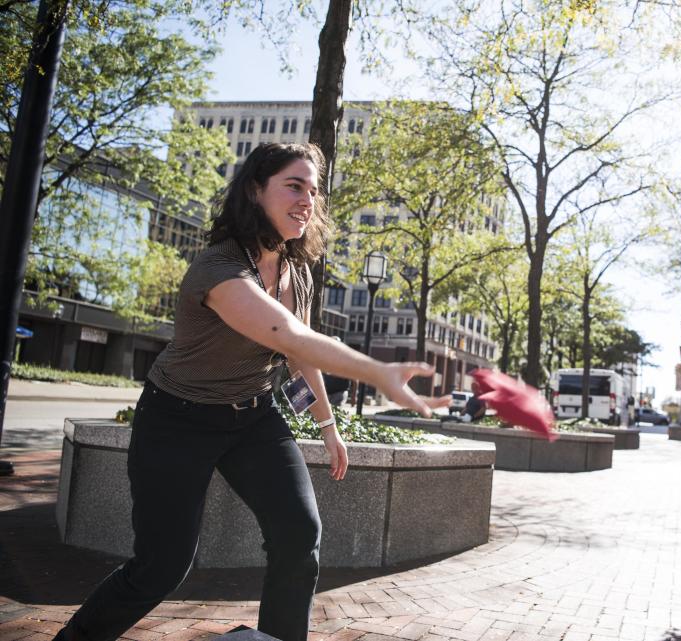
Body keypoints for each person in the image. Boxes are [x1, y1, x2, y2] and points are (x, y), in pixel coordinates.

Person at [53, 143, 448, 641]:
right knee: (162, 566)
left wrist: (329, 428)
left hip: (254, 418)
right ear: (255, 190)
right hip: (178, 418)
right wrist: (377, 372)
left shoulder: (297, 272)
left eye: (313, 190)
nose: (307, 199)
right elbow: (284, 335)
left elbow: (300, 356)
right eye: (294, 186)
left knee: (299, 536)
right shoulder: (219, 268)